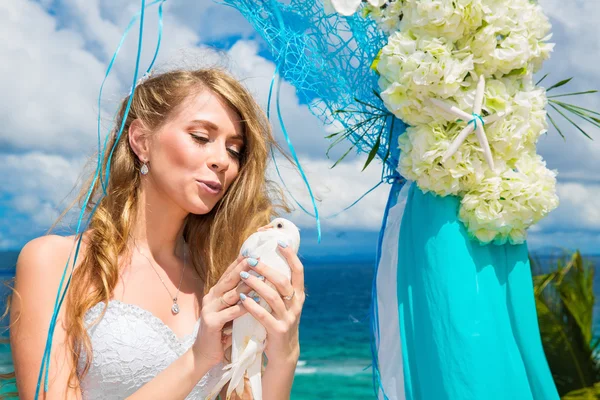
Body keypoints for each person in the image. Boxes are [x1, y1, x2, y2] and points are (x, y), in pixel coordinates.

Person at [9, 68, 306, 399]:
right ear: (141, 140)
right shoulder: (54, 262)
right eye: (201, 137)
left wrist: (284, 355)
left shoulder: (218, 279)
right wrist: (196, 359)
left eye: (234, 150)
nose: (222, 160)